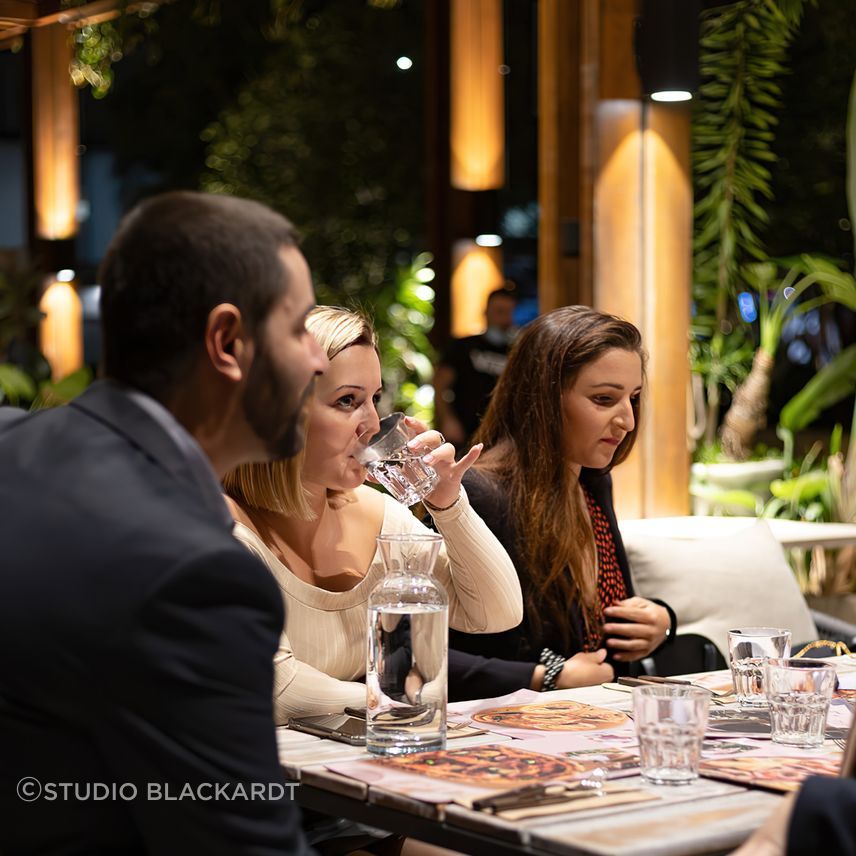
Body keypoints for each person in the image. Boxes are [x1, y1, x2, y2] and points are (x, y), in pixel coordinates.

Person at [0, 191, 328, 855]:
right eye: (299, 330)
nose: (318, 361)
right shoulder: (189, 575)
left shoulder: (12, 444)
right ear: (228, 342)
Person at [223, 306, 523, 723]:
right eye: (347, 401)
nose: (371, 423)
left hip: (341, 767)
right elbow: (275, 689)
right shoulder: (218, 529)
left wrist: (448, 504)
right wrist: (406, 707)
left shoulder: (379, 515)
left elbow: (497, 612)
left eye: (374, 399)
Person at [449, 305, 676, 695]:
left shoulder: (592, 483)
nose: (627, 421)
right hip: (511, 729)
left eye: (633, 399)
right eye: (604, 400)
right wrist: (546, 675)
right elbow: (416, 646)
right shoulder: (477, 494)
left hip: (599, 717)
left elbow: (602, 617)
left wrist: (660, 621)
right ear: (543, 399)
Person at [433, 286, 517, 446]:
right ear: (486, 313)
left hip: (502, 439)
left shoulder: (516, 352)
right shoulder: (463, 347)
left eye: (509, 313)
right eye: (499, 312)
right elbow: (439, 385)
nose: (504, 319)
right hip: (465, 434)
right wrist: (447, 419)